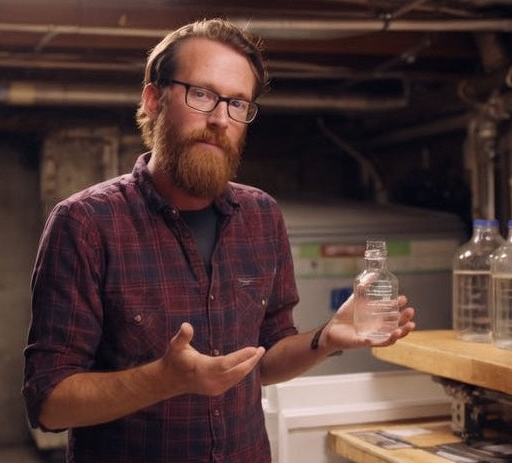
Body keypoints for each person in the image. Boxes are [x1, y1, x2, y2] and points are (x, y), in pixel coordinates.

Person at [22, 18, 416, 463]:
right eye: (202, 94)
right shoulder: (86, 223)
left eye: (237, 103)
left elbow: (262, 363)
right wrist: (164, 379)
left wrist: (327, 339)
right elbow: (49, 403)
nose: (218, 119)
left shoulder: (261, 216)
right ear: (153, 100)